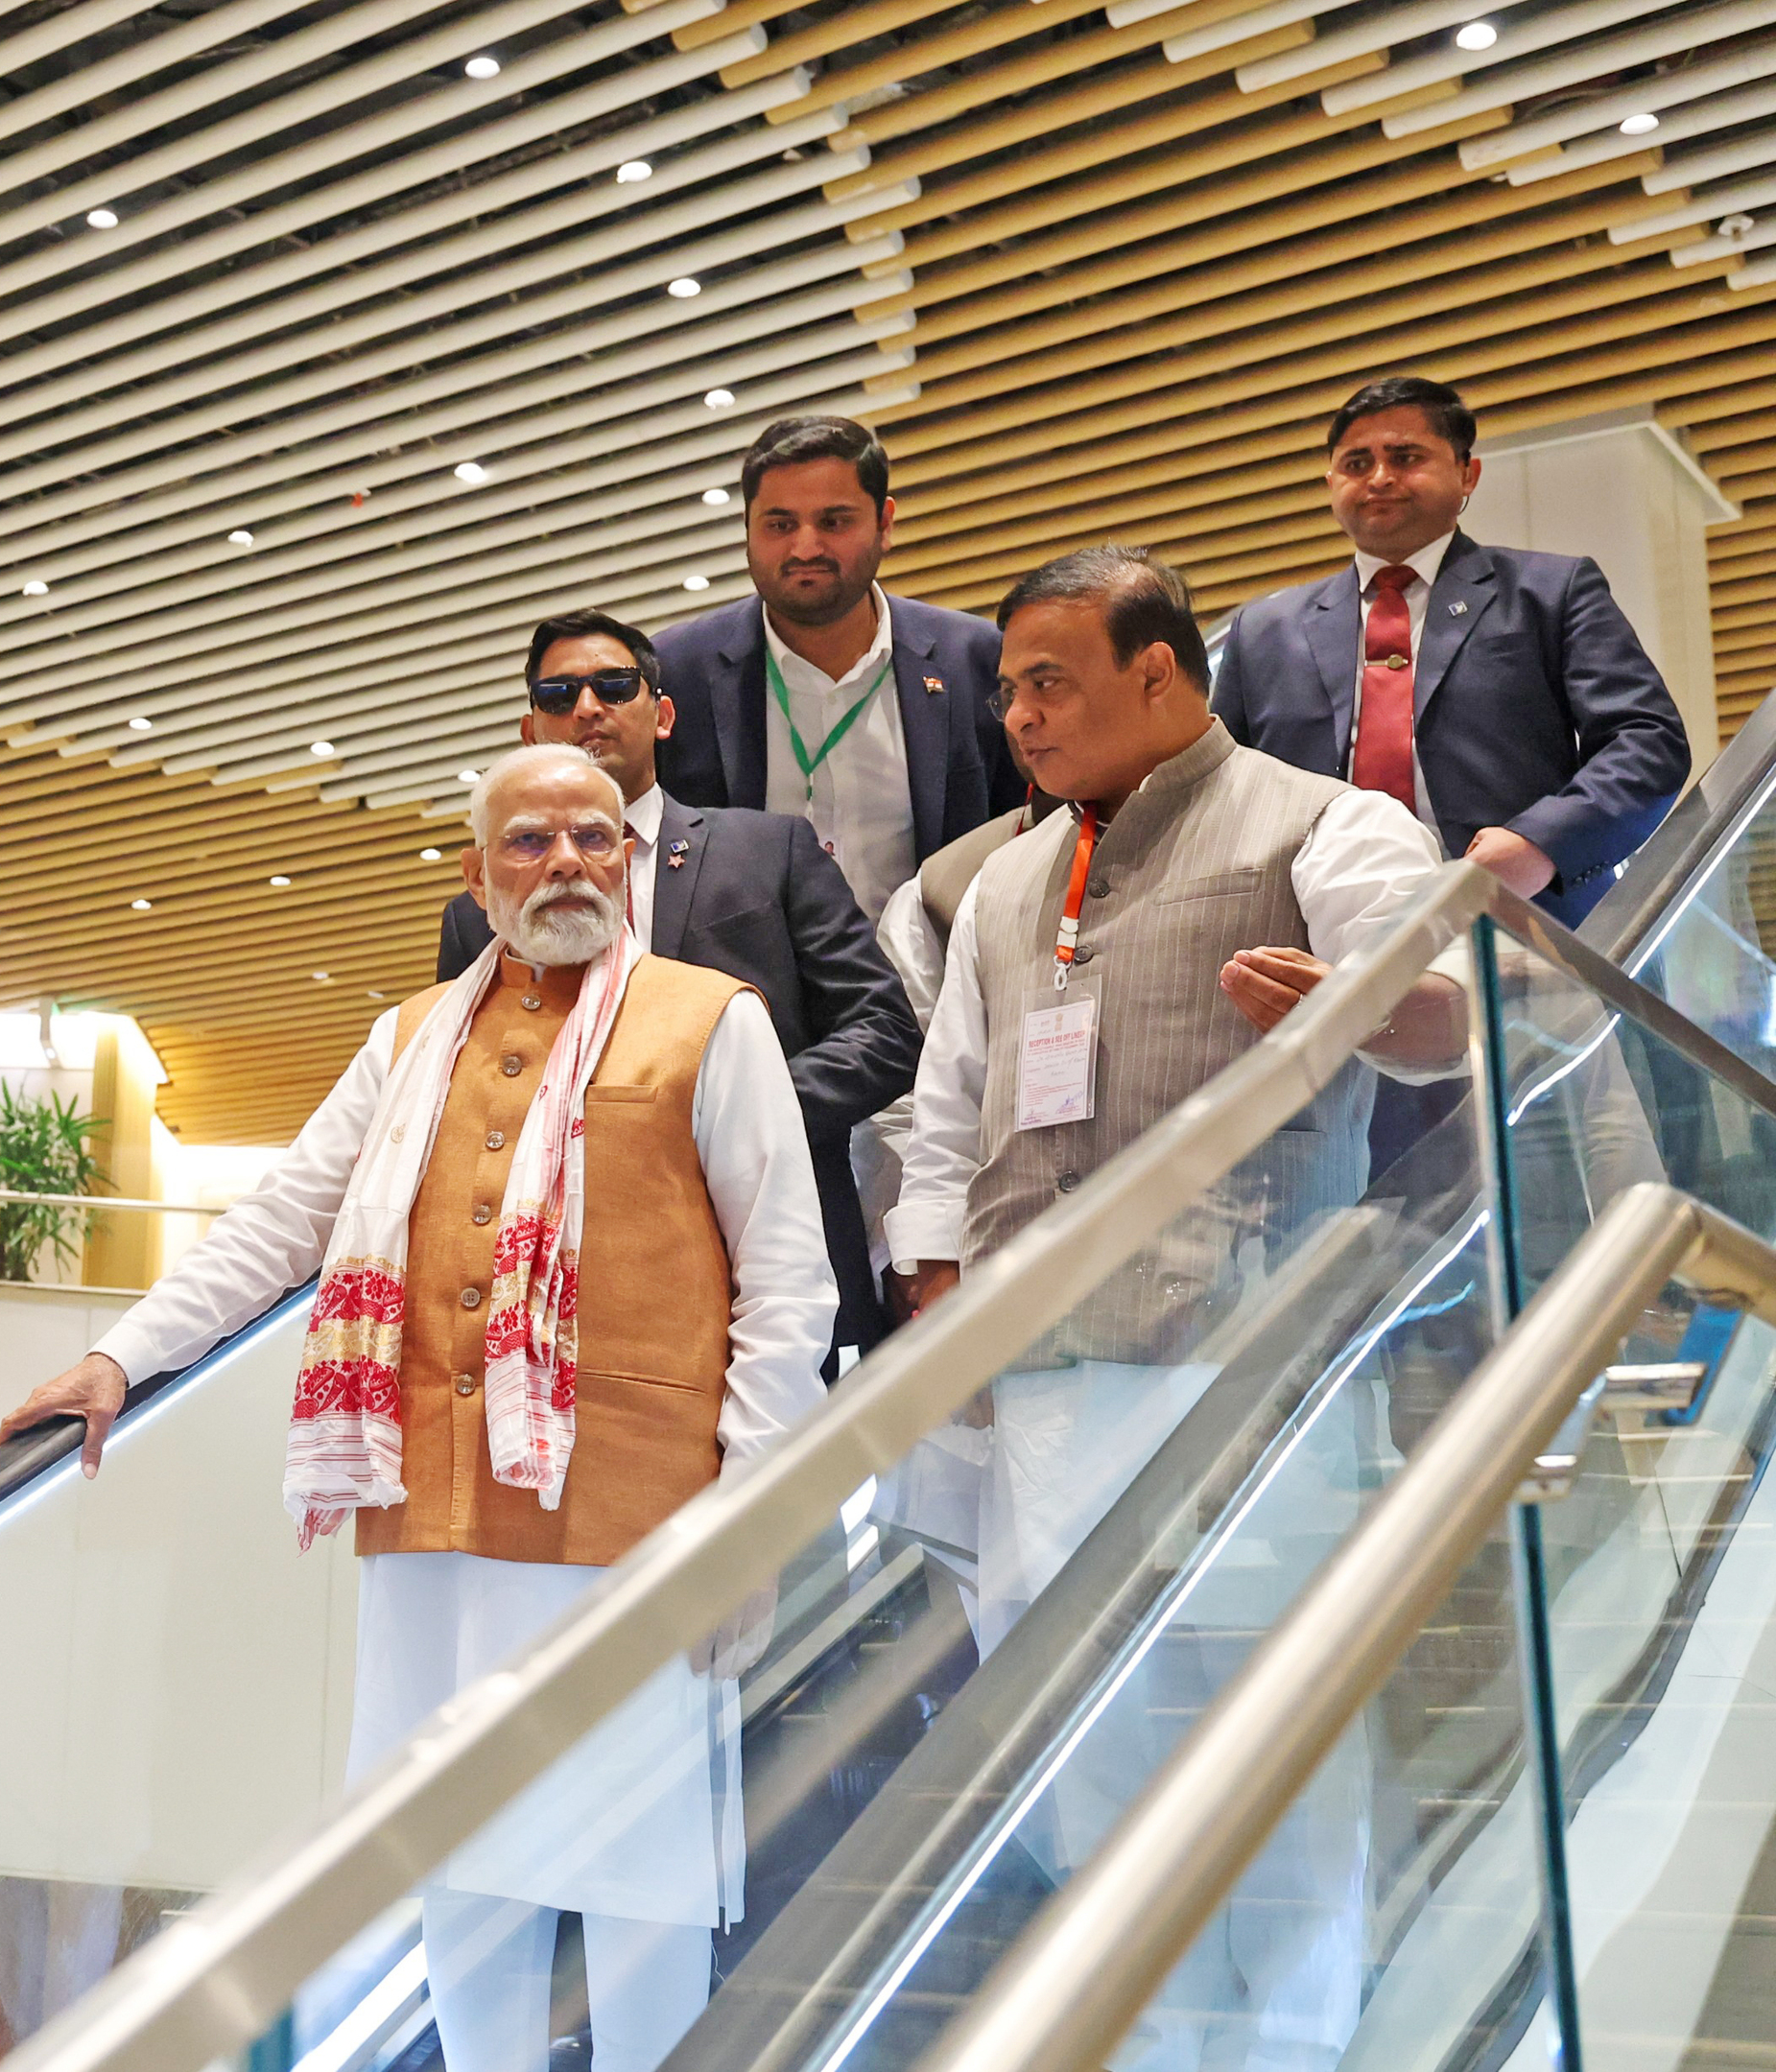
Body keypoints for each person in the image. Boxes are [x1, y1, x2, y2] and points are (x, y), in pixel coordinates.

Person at [0, 743, 833, 2072]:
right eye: (531, 842)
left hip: (633, 1526)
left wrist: (753, 1513)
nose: (568, 863)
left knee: (638, 1880)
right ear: (474, 872)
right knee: (458, 1866)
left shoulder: (710, 1018)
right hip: (428, 1521)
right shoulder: (409, 1035)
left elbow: (789, 1283)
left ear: (629, 858)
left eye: (595, 837)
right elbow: (283, 1219)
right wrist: (123, 1358)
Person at [890, 544, 1467, 2068]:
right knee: (1076, 1754)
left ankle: (1294, 2052)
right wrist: (938, 1304)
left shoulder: (1328, 821)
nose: (1015, 714)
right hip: (1038, 1377)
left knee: (1267, 1743)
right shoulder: (1008, 877)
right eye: (1007, 687)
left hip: (1242, 1359)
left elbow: (1447, 1007)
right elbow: (947, 1114)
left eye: (1047, 682)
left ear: (1159, 673)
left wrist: (1378, 1009)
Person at [438, 608, 919, 1348]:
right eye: (559, 695)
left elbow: (885, 1032)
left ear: (661, 715)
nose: (587, 708)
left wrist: (725, 1116)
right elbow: (463, 1091)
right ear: (530, 732)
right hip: (563, 1288)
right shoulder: (483, 911)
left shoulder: (769, 851)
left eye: (612, 685)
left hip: (770, 1254)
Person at [1212, 374, 1689, 926]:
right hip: (1316, 941)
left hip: (1519, 926)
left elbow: (1647, 741)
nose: (1380, 478)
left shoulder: (1548, 591)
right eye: (1356, 464)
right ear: (1330, 483)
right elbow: (1223, 793)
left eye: (1405, 456)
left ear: (1468, 473)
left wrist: (1540, 843)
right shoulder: (1263, 630)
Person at [653, 415, 1030, 919]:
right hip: (750, 993)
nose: (805, 547)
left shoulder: (979, 661)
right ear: (748, 528)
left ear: (885, 523)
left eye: (834, 522)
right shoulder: (674, 674)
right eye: (780, 524)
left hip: (936, 987)